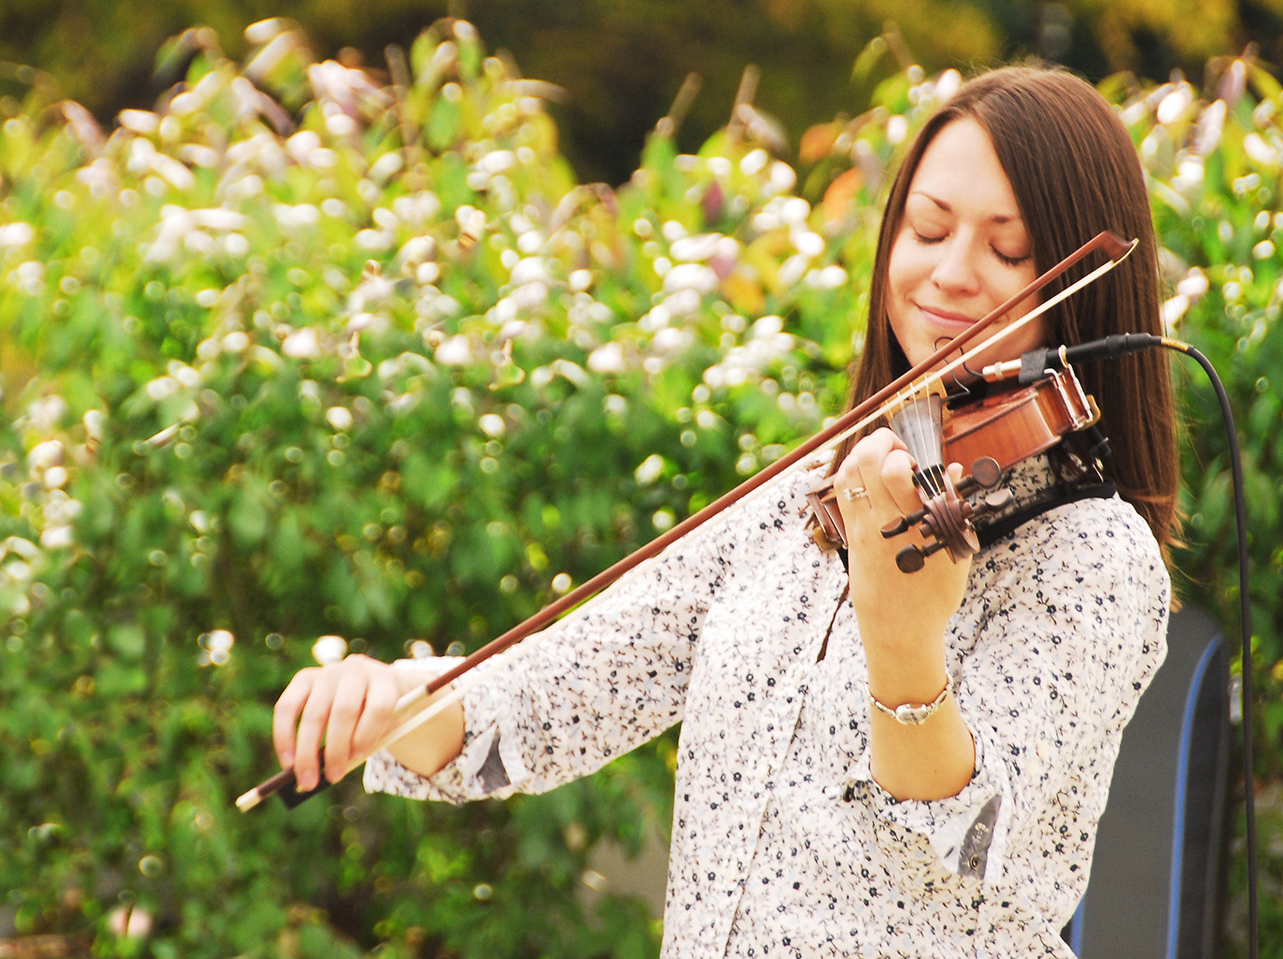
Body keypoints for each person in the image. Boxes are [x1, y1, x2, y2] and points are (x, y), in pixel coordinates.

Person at [273, 64, 1178, 958]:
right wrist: (389, 698)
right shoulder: (810, 496)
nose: (949, 275)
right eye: (927, 229)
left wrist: (902, 644)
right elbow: (560, 695)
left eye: (1009, 252)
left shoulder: (1095, 554)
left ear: (1079, 281)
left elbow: (968, 828)